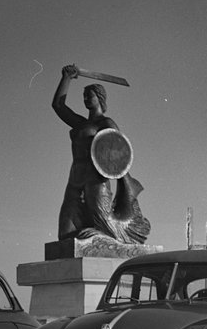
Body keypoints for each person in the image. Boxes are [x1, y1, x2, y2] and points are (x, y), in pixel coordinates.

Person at [52, 64, 150, 243]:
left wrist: (127, 188)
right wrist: (66, 78)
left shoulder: (106, 123)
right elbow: (58, 105)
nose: (85, 99)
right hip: (74, 181)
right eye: (84, 96)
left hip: (95, 182)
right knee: (65, 237)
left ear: (100, 97)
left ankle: (104, 236)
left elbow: (119, 155)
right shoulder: (80, 123)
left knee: (104, 223)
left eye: (89, 95)